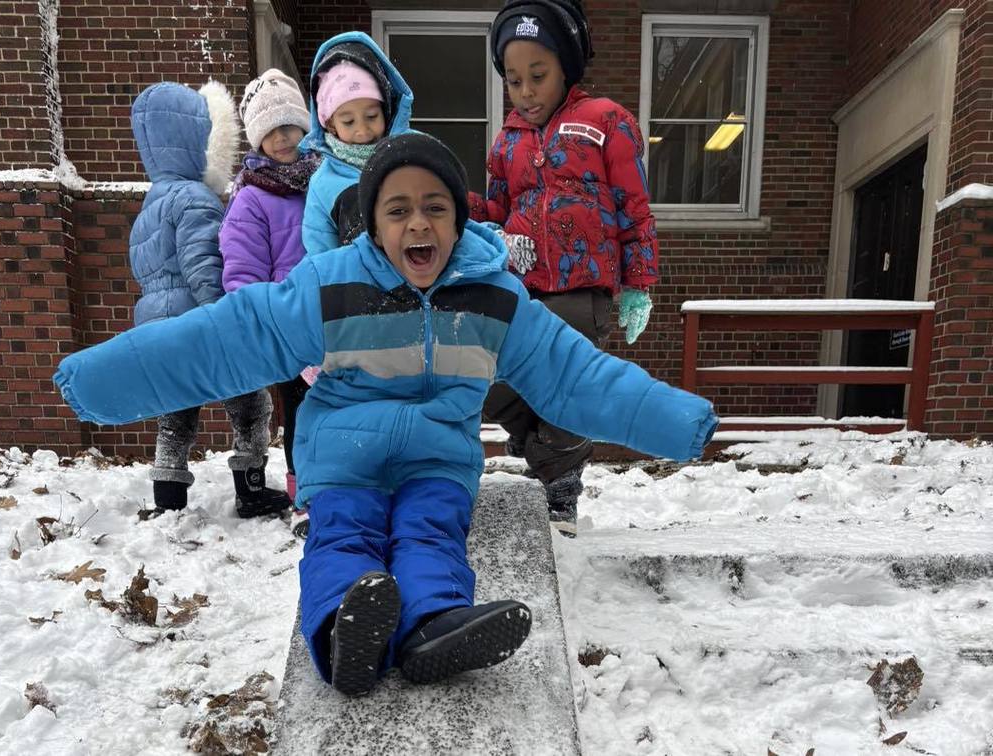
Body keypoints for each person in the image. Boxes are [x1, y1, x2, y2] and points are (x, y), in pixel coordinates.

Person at [54, 133, 717, 697]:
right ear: (374, 225)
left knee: (431, 534)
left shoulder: (493, 299)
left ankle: (434, 627)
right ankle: (344, 631)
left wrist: (672, 421)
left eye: (435, 208)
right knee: (343, 536)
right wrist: (102, 382)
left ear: (460, 221)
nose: (418, 224)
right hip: (345, 459)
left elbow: (576, 376)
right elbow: (227, 339)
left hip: (436, 462)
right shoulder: (332, 287)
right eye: (398, 210)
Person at [470, 0, 660, 535]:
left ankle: (560, 486)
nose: (525, 90)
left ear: (566, 68)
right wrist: (451, 205)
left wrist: (638, 283)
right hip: (524, 288)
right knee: (499, 377)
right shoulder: (505, 142)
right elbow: (498, 212)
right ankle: (542, 451)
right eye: (513, 79)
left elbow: (634, 207)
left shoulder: (604, 122)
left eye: (538, 75)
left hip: (585, 289)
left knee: (566, 388)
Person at [126, 80, 289, 518]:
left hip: (160, 328)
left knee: (176, 414)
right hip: (202, 324)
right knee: (251, 403)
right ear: (198, 143)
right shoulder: (196, 200)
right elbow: (203, 266)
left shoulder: (151, 204)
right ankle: (251, 489)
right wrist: (228, 315)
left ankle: (168, 500)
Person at [220, 69, 322, 531]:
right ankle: (305, 498)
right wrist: (265, 323)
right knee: (302, 411)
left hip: (337, 316)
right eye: (270, 130)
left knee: (345, 404)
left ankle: (350, 486)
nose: (282, 138)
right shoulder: (250, 199)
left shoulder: (324, 179)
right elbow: (241, 274)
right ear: (257, 139)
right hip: (288, 326)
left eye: (289, 125)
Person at [300, 31, 413, 254]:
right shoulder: (323, 183)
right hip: (359, 284)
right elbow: (321, 255)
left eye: (372, 116)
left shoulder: (414, 151)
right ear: (330, 124)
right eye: (348, 121)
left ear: (386, 111)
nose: (362, 131)